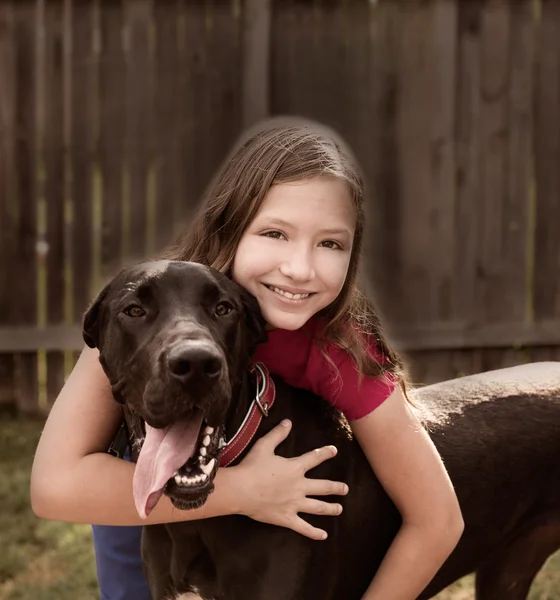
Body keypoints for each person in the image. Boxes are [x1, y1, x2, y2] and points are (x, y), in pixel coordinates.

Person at [31, 118, 464, 600]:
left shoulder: (341, 353)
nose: (299, 269)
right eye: (275, 233)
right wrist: (245, 491)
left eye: (330, 243)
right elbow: (55, 485)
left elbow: (438, 518)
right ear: (228, 229)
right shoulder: (143, 309)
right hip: (126, 501)